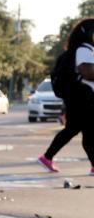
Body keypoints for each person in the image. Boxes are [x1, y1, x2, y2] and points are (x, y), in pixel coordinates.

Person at [39, 18, 94, 173]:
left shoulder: (83, 49)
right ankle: (46, 157)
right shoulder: (84, 49)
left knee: (83, 132)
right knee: (78, 131)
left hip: (81, 97)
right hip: (82, 97)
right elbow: (87, 72)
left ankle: (47, 157)